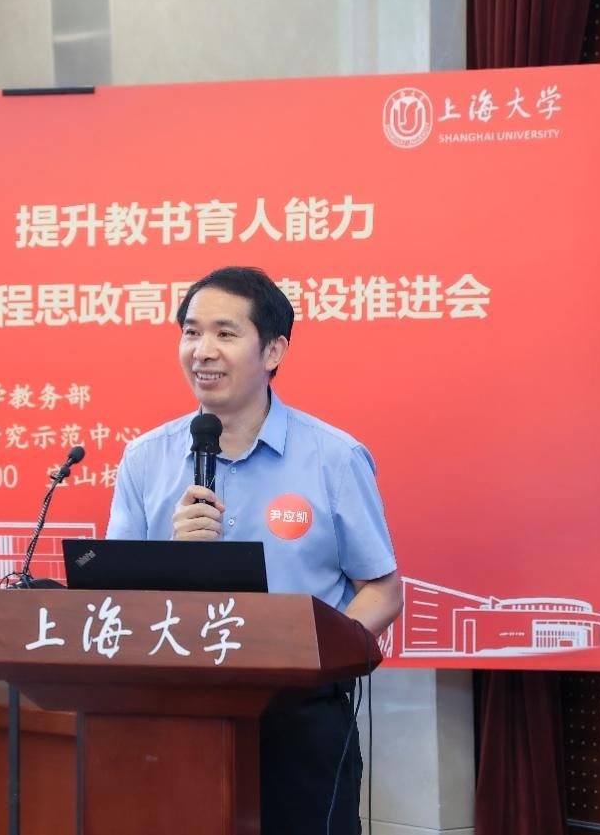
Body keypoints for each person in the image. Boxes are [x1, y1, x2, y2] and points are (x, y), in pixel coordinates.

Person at [105, 265, 403, 835]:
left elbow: (383, 591)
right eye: (191, 333)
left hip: (301, 719)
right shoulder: (146, 458)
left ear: (273, 350)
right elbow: (114, 599)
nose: (202, 351)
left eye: (225, 333)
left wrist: (309, 659)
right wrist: (172, 556)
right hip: (175, 716)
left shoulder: (334, 457)